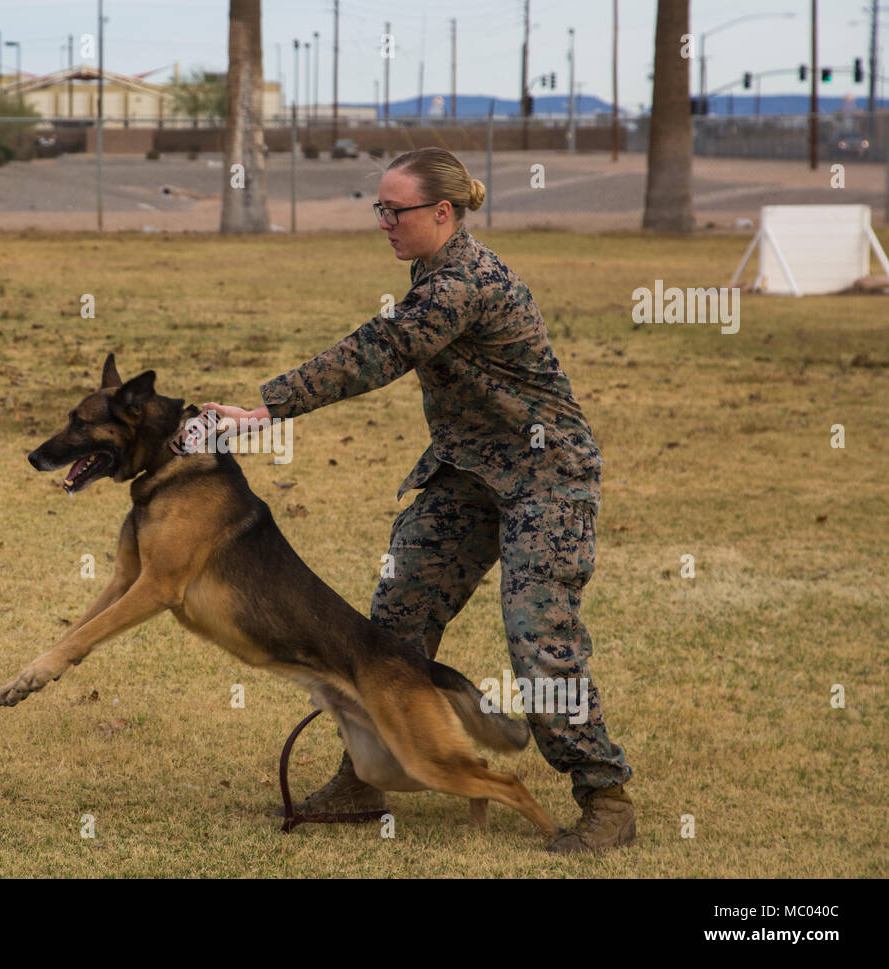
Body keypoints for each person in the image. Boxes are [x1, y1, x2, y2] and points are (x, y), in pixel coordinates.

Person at [203, 147, 634, 853]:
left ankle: (606, 795)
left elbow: (383, 347)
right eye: (379, 208)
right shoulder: (430, 270)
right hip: (466, 471)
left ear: (442, 213)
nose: (383, 222)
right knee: (392, 626)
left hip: (544, 473)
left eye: (394, 210)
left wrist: (267, 408)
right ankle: (363, 776)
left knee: (538, 637)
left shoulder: (467, 281)